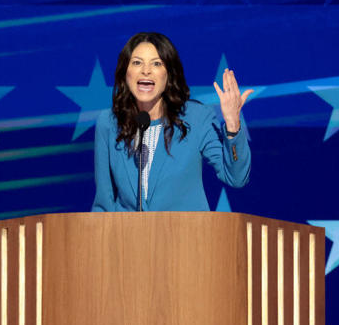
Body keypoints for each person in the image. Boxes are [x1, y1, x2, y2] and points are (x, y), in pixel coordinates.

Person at [92, 32, 252, 211]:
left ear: (168, 74)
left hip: (185, 236)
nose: (146, 70)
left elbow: (236, 178)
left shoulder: (196, 117)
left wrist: (232, 126)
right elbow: (104, 203)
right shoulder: (108, 123)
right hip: (128, 238)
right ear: (125, 72)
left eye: (157, 63)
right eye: (137, 62)